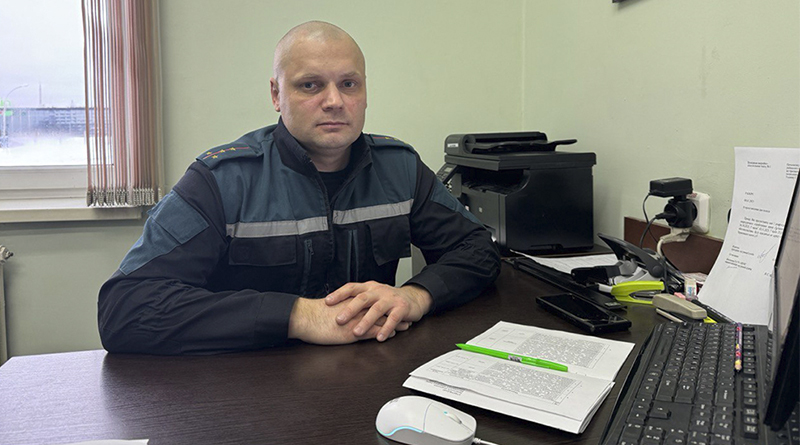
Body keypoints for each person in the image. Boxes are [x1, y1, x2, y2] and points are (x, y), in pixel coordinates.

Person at [97, 21, 500, 355]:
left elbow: (478, 248)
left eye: (349, 84)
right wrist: (299, 316)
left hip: (369, 380)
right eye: (310, 85)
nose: (334, 101)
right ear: (276, 94)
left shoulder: (399, 169)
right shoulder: (221, 180)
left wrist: (415, 296)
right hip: (246, 389)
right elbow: (125, 309)